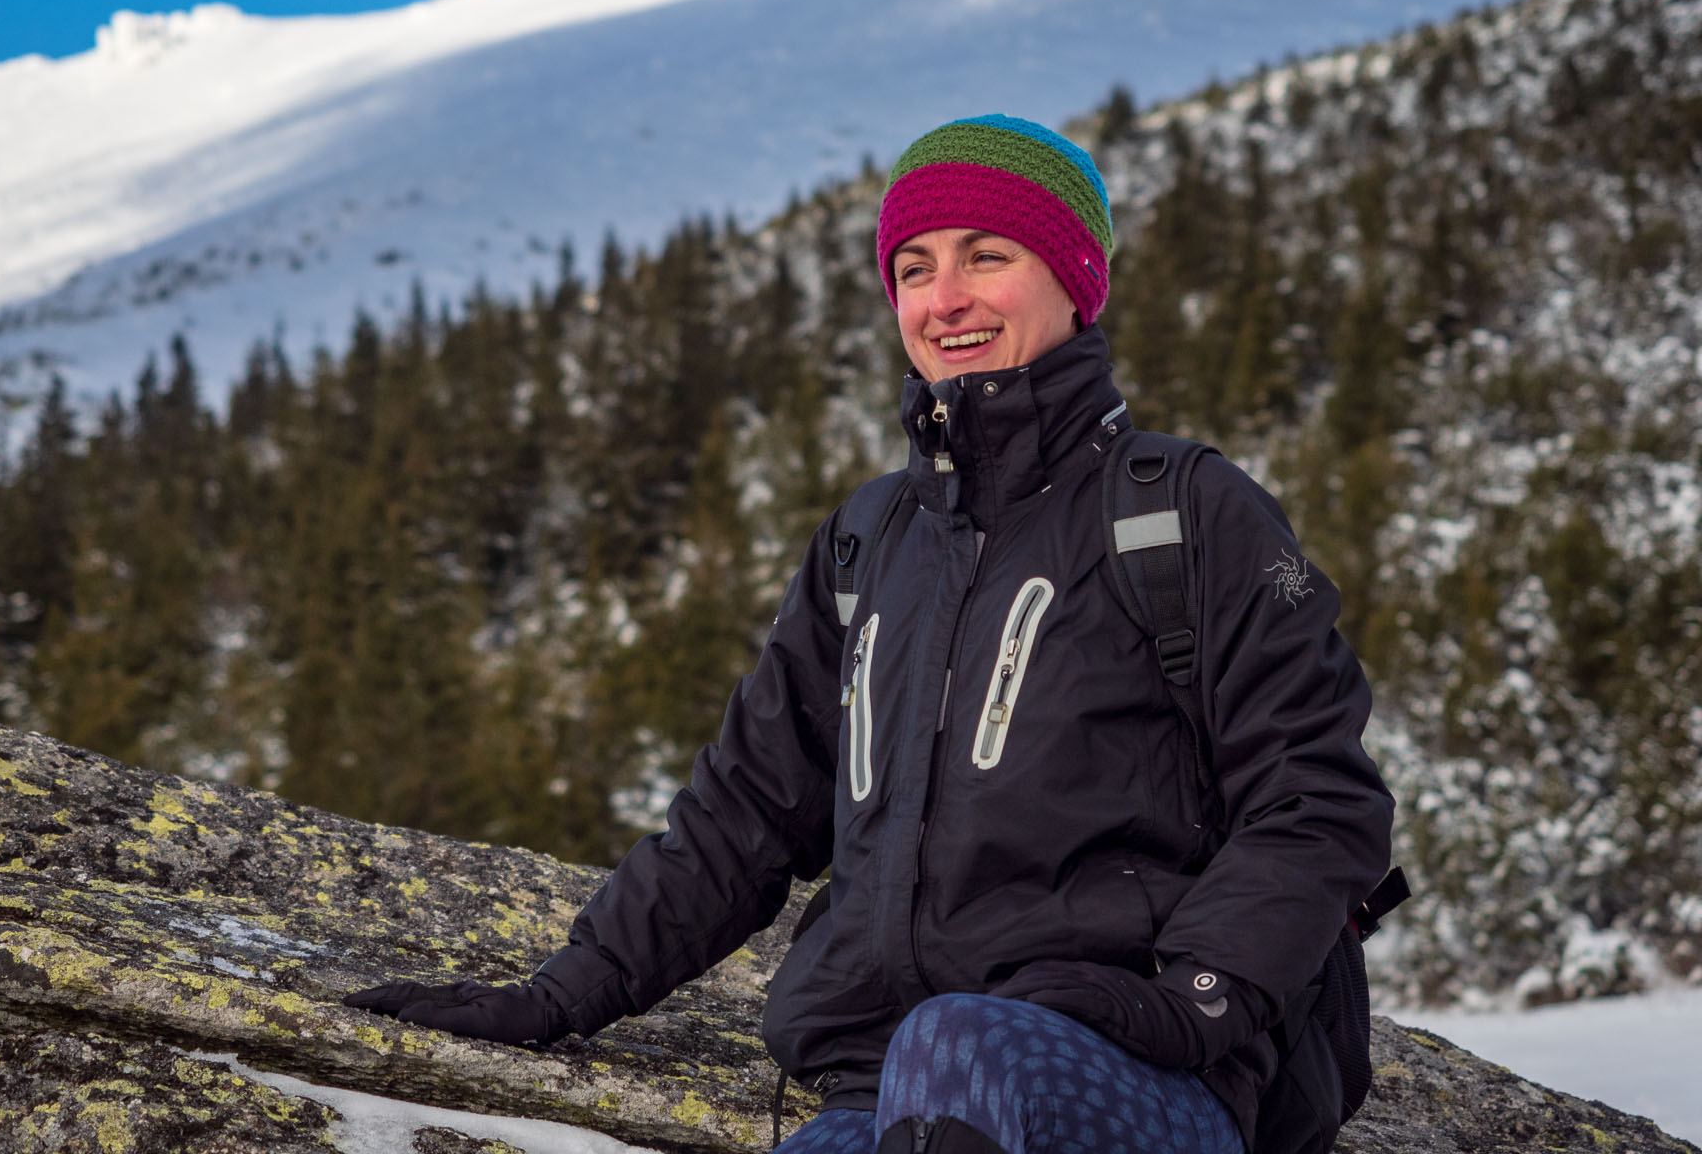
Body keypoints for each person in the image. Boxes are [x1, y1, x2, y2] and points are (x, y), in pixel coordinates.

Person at [345, 115, 1396, 1154]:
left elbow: (1316, 792)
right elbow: (744, 811)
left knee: (959, 1045)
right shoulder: (869, 539)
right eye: (915, 267)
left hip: (1144, 1076)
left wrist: (1197, 1001)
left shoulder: (1184, 511)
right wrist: (560, 994)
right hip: (884, 1083)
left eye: (989, 255)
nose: (946, 298)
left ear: (1074, 279)